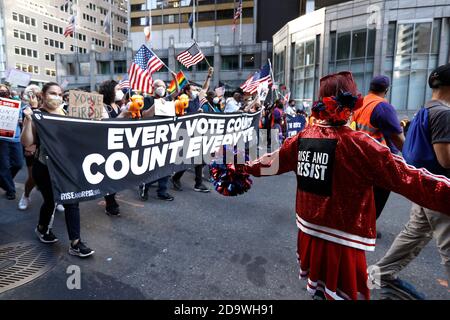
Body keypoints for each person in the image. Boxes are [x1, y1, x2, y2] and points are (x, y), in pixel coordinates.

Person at [244, 72, 450, 300]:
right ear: (351, 103)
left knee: (321, 287)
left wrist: (234, 166)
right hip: (341, 241)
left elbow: (269, 164)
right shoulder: (360, 144)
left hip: (309, 232)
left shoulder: (303, 136)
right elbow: (409, 178)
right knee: (340, 292)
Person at [369, 64, 450, 299]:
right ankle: (380, 274)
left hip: (422, 185)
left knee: (414, 233)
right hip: (440, 189)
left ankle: (380, 274)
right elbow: (445, 158)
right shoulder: (444, 114)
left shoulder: (424, 109)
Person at [21, 82, 94, 258]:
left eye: (60, 94)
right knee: (50, 201)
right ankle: (42, 228)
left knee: (72, 201)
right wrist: (28, 120)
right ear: (44, 95)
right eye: (53, 93)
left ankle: (75, 243)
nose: (57, 97)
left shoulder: (67, 113)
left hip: (66, 166)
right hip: (44, 167)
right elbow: (27, 141)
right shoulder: (36, 114)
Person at [352, 76, 405, 226]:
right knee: (379, 194)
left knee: (364, 193)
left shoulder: (361, 102)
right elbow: (398, 139)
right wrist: (410, 155)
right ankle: (366, 225)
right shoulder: (382, 106)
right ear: (386, 90)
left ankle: (357, 221)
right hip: (379, 160)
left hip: (361, 154)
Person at [171, 68, 214, 193]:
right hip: (185, 133)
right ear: (186, 91)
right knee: (187, 159)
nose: (196, 91)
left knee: (199, 158)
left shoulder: (196, 100)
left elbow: (205, 89)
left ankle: (198, 183)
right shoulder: (180, 102)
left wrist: (209, 76)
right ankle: (176, 178)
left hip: (197, 133)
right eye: (193, 89)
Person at [138, 74, 180, 201]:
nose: (161, 88)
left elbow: (177, 92)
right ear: (153, 87)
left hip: (166, 135)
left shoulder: (167, 99)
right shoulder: (147, 99)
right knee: (153, 166)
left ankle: (162, 191)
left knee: (166, 165)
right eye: (159, 86)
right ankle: (144, 186)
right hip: (152, 136)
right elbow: (144, 115)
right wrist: (156, 105)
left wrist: (176, 79)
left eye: (163, 86)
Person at [99, 80, 122, 216]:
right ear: (109, 90)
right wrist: (123, 116)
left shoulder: (117, 105)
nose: (120, 91)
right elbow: (107, 125)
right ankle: (110, 203)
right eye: (117, 89)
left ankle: (111, 199)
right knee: (109, 175)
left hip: (117, 144)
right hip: (106, 145)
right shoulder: (102, 106)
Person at [18, 85, 42, 210]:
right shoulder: (27, 110)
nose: (35, 97)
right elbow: (29, 130)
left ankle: (56, 199)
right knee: (33, 177)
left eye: (37, 94)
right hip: (32, 148)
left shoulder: (49, 108)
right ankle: (26, 195)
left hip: (47, 147)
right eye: (32, 94)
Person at [0, 84, 24, 200]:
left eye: (4, 91)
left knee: (18, 164)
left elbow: (21, 119)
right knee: (4, 166)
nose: (3, 93)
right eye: (0, 91)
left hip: (15, 138)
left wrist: (20, 120)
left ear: (8, 93)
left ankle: (4, 181)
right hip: (1, 140)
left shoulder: (16, 105)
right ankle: (10, 190)